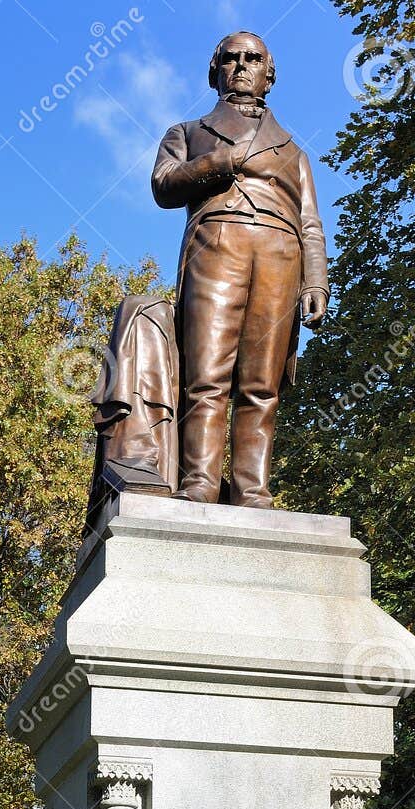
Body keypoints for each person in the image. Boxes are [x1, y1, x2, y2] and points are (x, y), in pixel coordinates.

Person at [151, 32, 329, 507]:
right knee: (206, 373)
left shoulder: (293, 150)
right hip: (217, 246)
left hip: (280, 257)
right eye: (231, 59)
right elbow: (164, 185)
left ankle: (252, 490)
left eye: (253, 59)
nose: (242, 65)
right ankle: (200, 483)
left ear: (269, 75)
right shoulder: (188, 132)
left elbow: (310, 222)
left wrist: (316, 280)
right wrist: (218, 162)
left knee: (261, 384)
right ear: (216, 73)